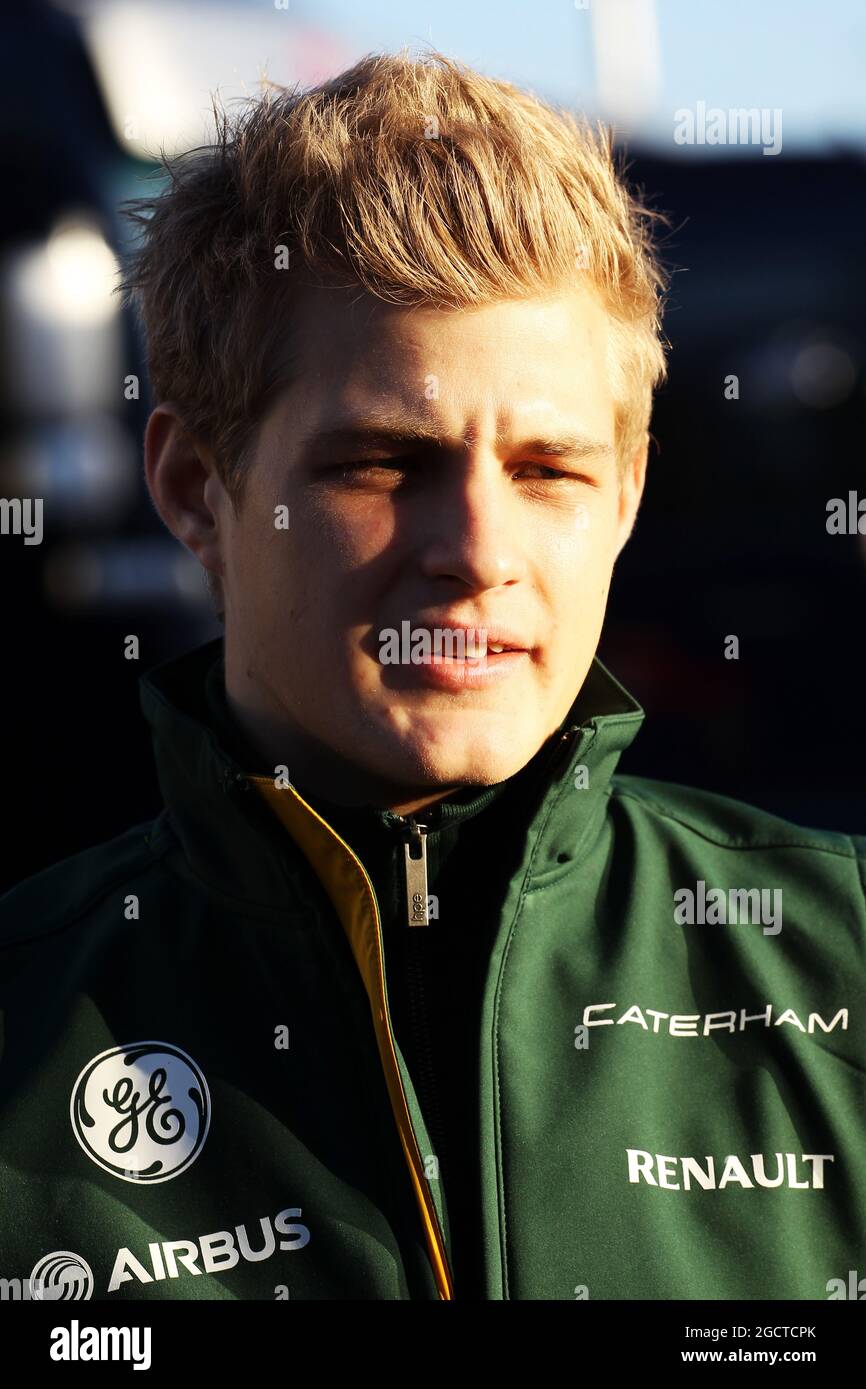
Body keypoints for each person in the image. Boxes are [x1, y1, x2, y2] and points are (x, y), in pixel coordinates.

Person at [1, 50, 863, 1304]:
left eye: (548, 471)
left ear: (625, 496)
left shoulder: (840, 963)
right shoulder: (25, 1027)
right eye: (383, 463)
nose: (477, 552)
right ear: (196, 488)